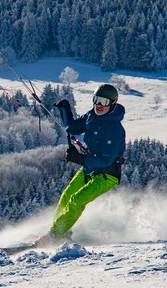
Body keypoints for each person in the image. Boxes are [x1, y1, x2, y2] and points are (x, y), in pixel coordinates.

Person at [36, 83, 126, 246]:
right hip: (90, 168)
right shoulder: (92, 116)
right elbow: (73, 128)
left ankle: (55, 234)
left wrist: (79, 158)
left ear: (112, 104)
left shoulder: (115, 129)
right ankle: (60, 231)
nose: (99, 105)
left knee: (77, 200)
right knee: (66, 196)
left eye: (104, 102)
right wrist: (66, 110)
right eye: (96, 100)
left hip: (107, 175)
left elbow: (106, 160)